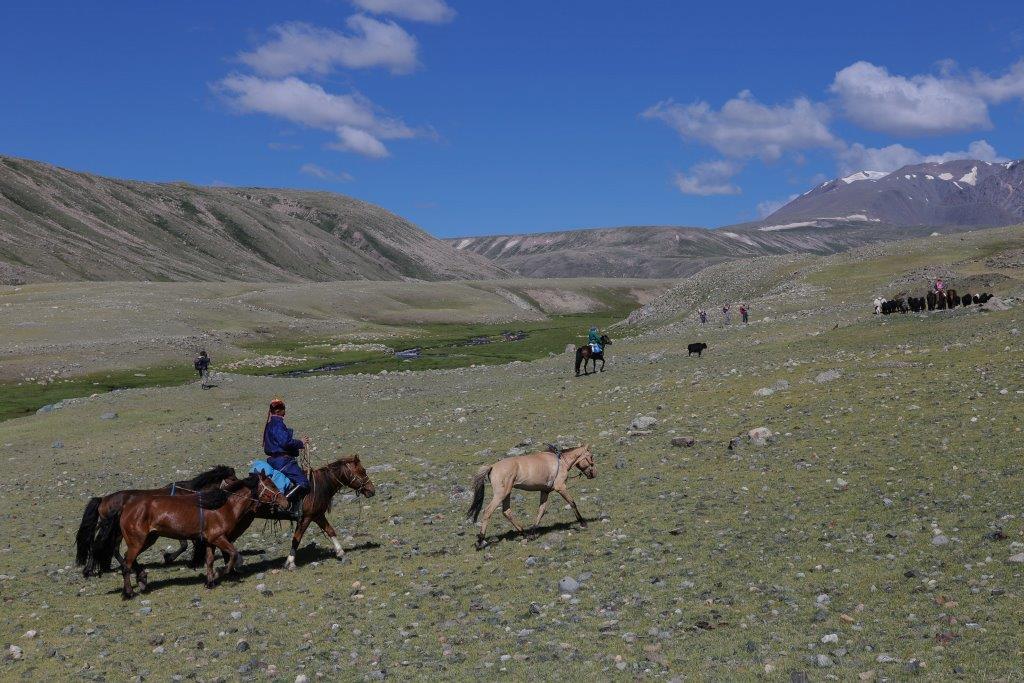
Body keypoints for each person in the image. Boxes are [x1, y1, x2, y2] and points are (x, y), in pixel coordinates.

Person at [263, 398, 311, 519]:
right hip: (283, 462)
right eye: (284, 409)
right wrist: (300, 442)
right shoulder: (278, 424)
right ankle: (285, 505)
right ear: (279, 411)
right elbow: (285, 442)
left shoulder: (269, 424)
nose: (285, 412)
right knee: (304, 483)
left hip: (273, 461)